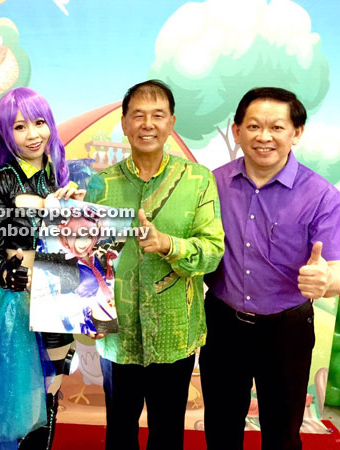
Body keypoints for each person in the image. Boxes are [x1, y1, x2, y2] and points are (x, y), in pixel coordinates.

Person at [200, 87, 340, 450]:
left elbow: (338, 271)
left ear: (296, 133)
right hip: (222, 325)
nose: (264, 137)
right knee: (220, 428)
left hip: (287, 331)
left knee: (282, 434)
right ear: (236, 131)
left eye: (277, 127)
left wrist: (325, 279)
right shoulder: (210, 183)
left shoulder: (322, 195)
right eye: (253, 126)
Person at [84, 79, 225, 450]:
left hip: (174, 331)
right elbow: (86, 260)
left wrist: (167, 244)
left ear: (172, 122)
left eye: (157, 115)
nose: (148, 124)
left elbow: (212, 251)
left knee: (167, 432)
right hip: (117, 334)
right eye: (139, 116)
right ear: (125, 122)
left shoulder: (197, 180)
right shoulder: (100, 185)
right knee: (119, 430)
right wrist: (86, 314)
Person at [0, 86, 83, 449]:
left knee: (47, 403)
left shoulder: (63, 179)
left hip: (56, 310)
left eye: (39, 123)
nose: (32, 134)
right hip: (13, 309)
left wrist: (77, 214)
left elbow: (76, 255)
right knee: (10, 413)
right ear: (5, 132)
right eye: (19, 127)